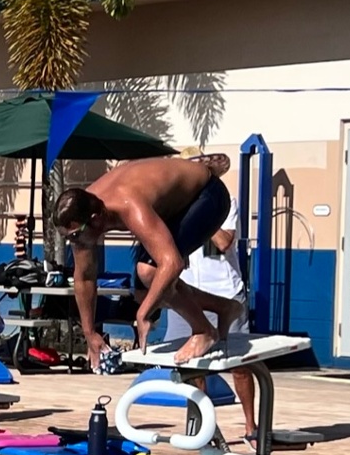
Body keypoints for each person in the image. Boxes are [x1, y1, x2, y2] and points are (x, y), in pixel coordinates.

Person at [53, 155, 244, 367]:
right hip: (172, 205)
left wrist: (143, 313)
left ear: (96, 220)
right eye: (67, 237)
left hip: (208, 196)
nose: (73, 243)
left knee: (150, 274)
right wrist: (89, 333)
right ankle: (224, 307)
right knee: (148, 287)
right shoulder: (83, 216)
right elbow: (85, 278)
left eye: (74, 236)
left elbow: (172, 263)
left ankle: (205, 331)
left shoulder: (129, 205)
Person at [153, 197, 263, 445]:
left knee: (240, 365)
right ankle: (204, 427)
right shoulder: (174, 207)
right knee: (190, 366)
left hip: (225, 292)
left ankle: (251, 427)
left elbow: (224, 242)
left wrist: (202, 215)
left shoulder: (224, 203)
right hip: (189, 295)